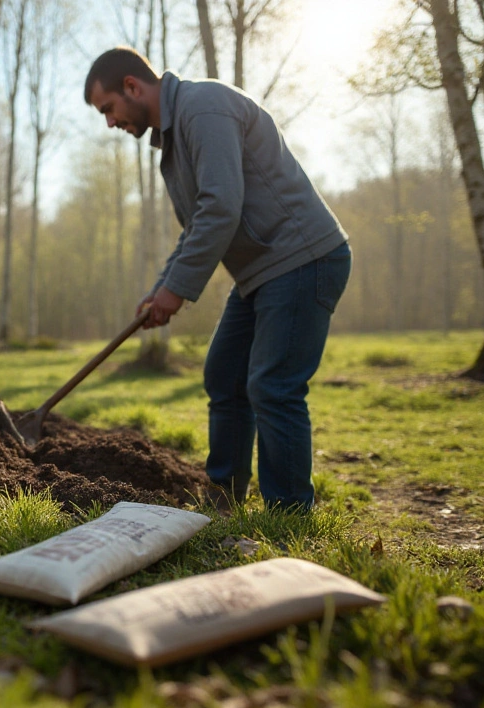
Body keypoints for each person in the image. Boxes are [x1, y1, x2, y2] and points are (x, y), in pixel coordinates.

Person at [84, 47, 352, 513]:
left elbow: (222, 207)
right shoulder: (174, 139)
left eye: (108, 108)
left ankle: (289, 515)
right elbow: (198, 224)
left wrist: (177, 290)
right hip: (262, 271)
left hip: (303, 257)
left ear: (132, 86)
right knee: (225, 375)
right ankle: (224, 496)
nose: (110, 122)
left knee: (272, 385)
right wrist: (162, 286)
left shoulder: (203, 107)